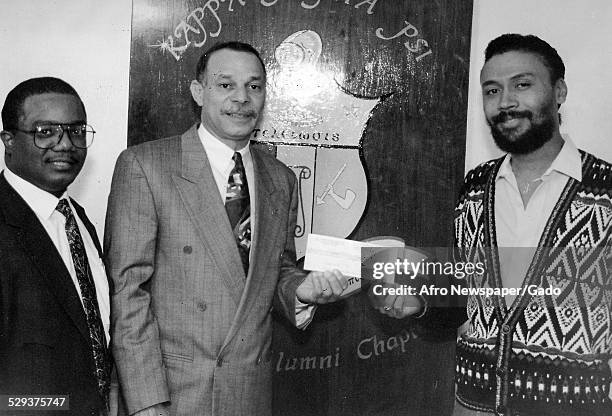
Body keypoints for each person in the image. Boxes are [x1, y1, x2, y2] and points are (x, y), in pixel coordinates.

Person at [104, 41, 348, 416]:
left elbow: (271, 270)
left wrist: (301, 290)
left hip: (248, 394)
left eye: (254, 86)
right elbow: (128, 292)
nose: (241, 98)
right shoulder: (145, 166)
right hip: (172, 396)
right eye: (225, 85)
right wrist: (146, 402)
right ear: (198, 91)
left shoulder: (280, 179)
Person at [452, 34, 612, 415]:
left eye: (522, 85)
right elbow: (463, 299)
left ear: (559, 91)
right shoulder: (473, 189)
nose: (505, 102)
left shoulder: (606, 192)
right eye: (492, 90)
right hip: (473, 407)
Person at [0, 77, 112, 415]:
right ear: (8, 141)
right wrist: (58, 407)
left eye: (76, 131)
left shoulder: (75, 217)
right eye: (45, 131)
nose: (65, 144)